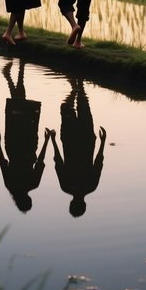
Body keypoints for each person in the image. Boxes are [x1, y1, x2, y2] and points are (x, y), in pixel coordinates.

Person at [0, 59, 51, 212]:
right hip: (12, 143)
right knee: (17, 105)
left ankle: (18, 73)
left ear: (28, 199)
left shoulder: (33, 184)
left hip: (28, 142)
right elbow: (2, 161)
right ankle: (14, 75)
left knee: (22, 105)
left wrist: (47, 141)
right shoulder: (11, 185)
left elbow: (40, 160)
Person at [46, 78, 107, 217]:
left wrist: (103, 142)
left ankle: (78, 86)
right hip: (70, 139)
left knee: (84, 107)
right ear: (71, 204)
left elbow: (99, 162)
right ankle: (76, 87)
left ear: (84, 204)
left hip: (86, 140)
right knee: (66, 108)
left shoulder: (91, 187)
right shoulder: (66, 187)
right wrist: (53, 141)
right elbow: (58, 161)